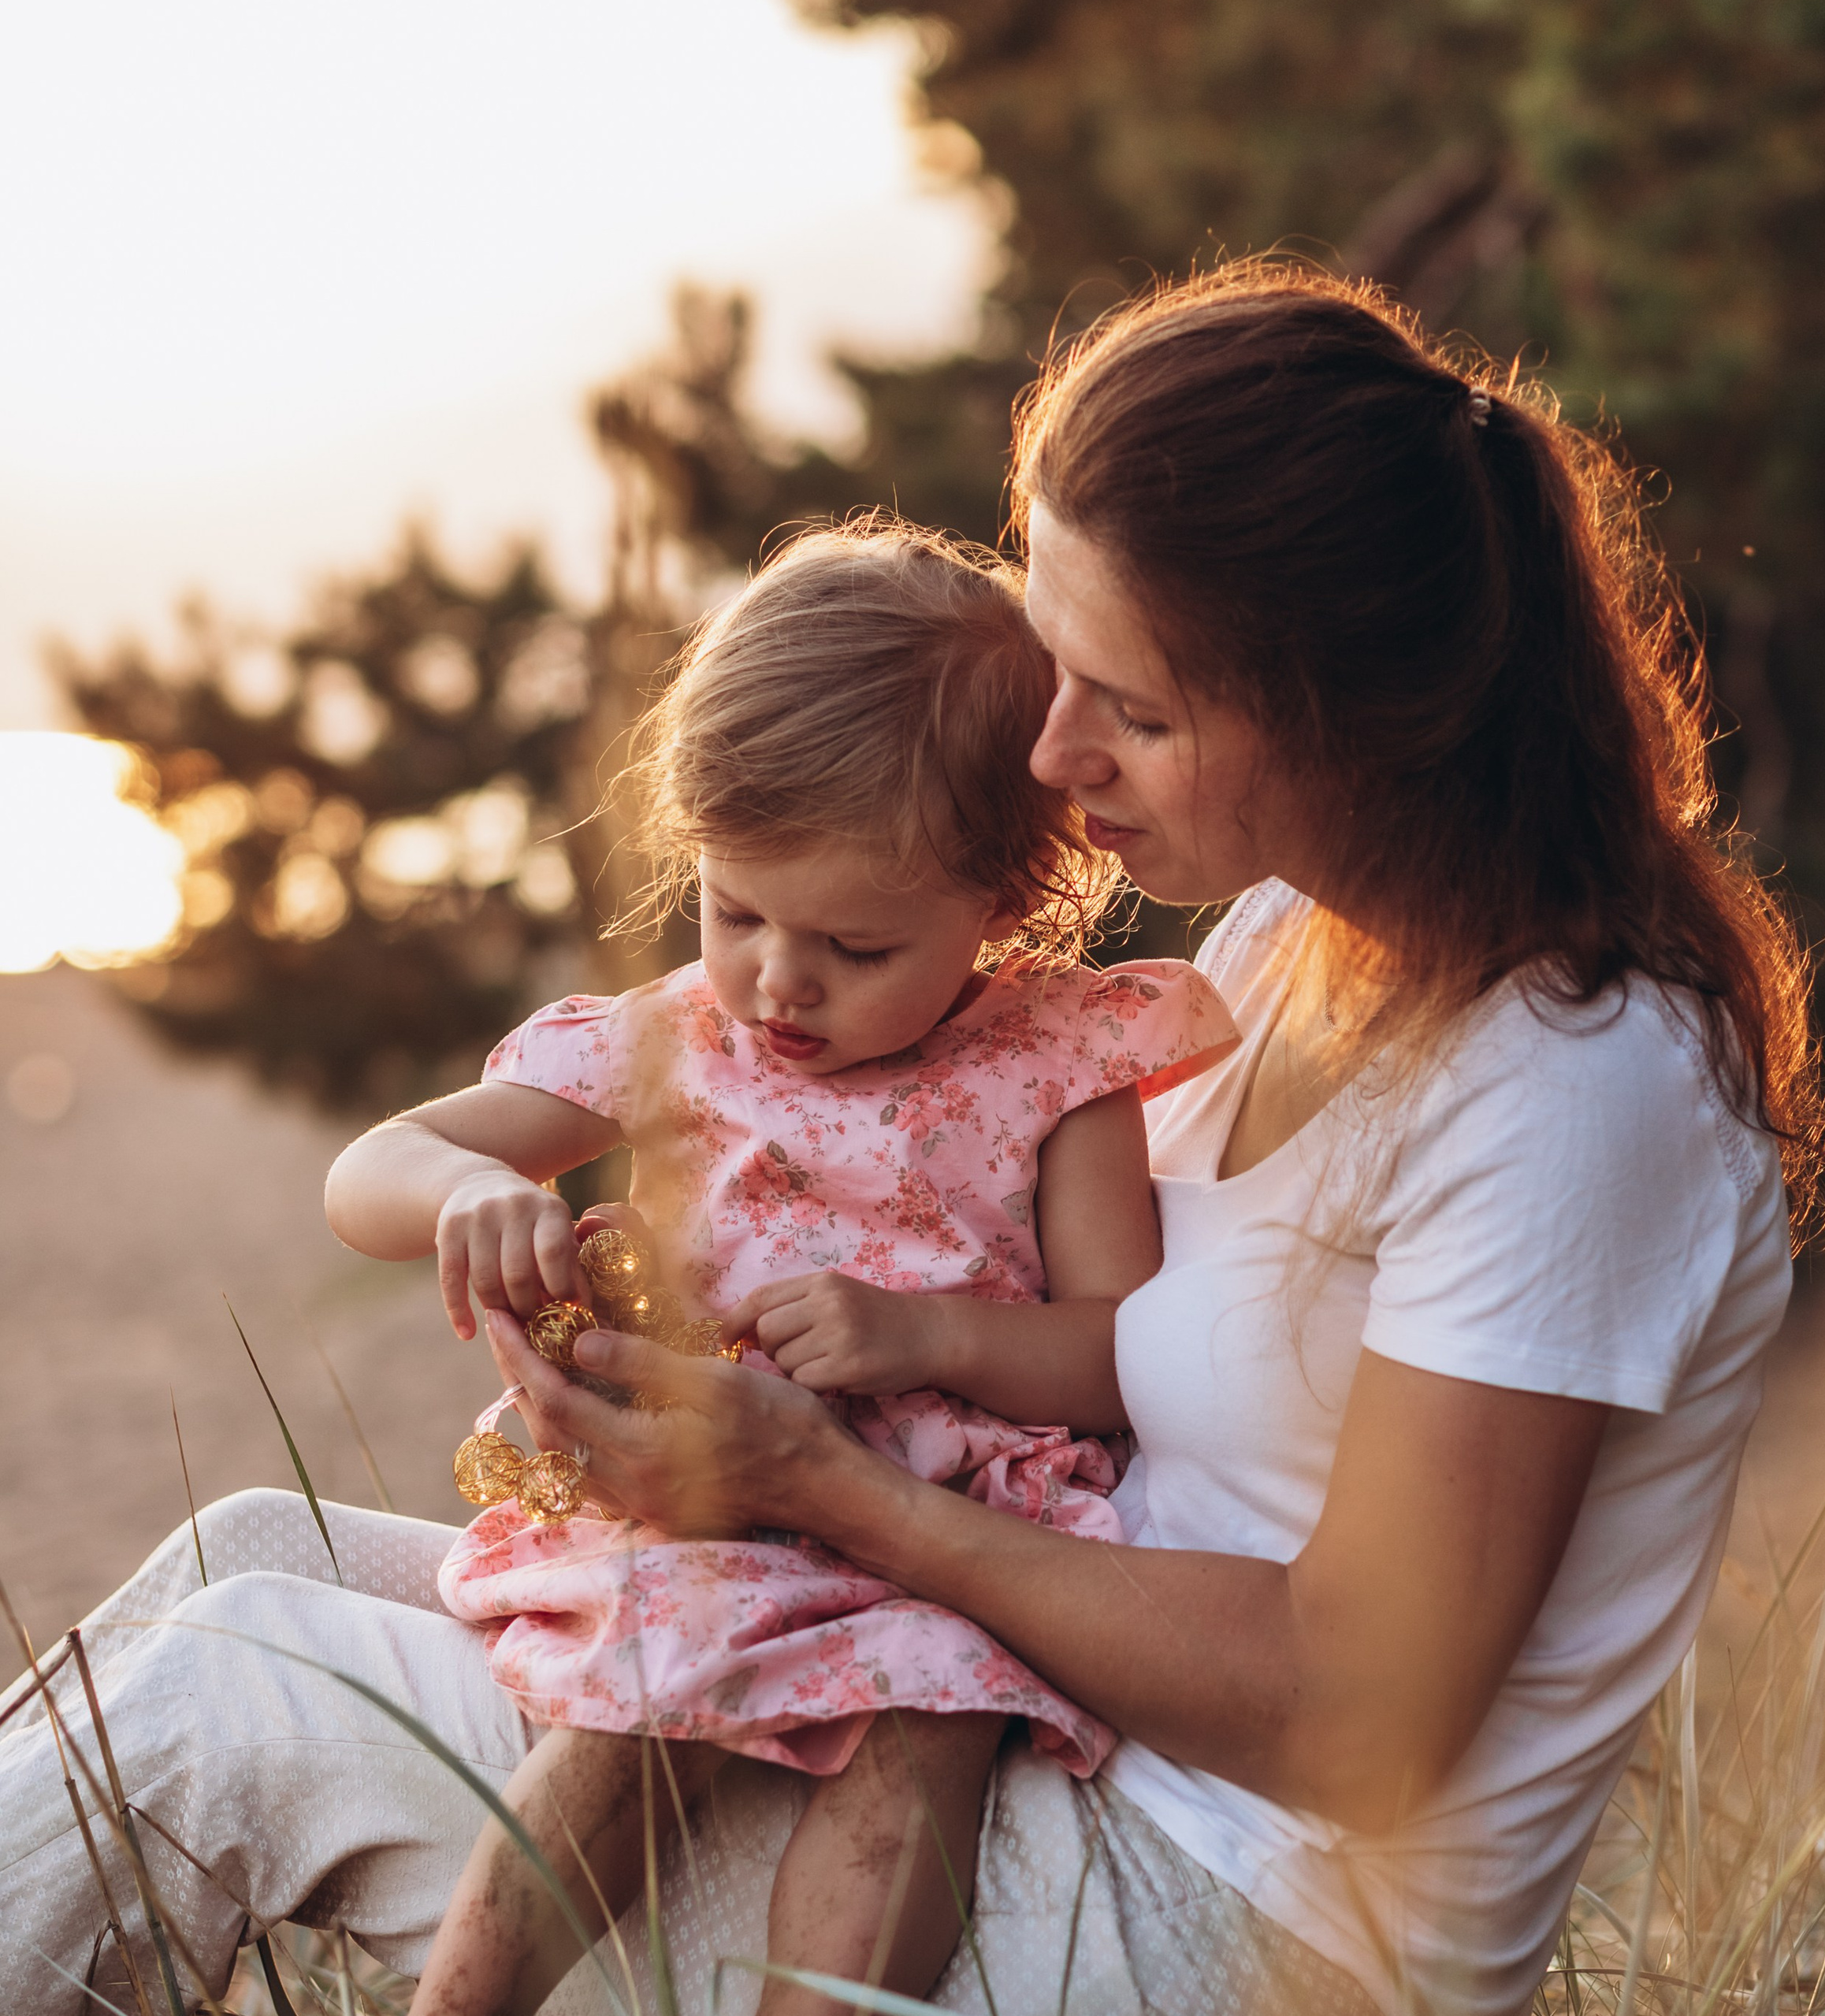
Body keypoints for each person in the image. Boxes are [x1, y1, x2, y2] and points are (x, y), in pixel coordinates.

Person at [0, 261, 1825, 2016]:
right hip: (1013, 1691)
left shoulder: (1574, 1089)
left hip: (1205, 1911)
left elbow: (1350, 1706)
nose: (1051, 756)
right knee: (255, 1544)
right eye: (1056, 666)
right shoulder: (1296, 942)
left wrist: (828, 1488)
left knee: (230, 1706)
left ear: (1349, 716)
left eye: (1130, 708)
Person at [324, 522, 1238, 2015]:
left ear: (1007, 900)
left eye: (854, 945)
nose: (775, 982)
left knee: (933, 1727)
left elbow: (1120, 1348)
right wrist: (470, 1188)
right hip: (695, 1518)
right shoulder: (677, 1034)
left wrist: (922, 1335)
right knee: (625, 1714)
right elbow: (367, 1171)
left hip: (940, 1539)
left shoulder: (1062, 1068)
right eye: (734, 910)